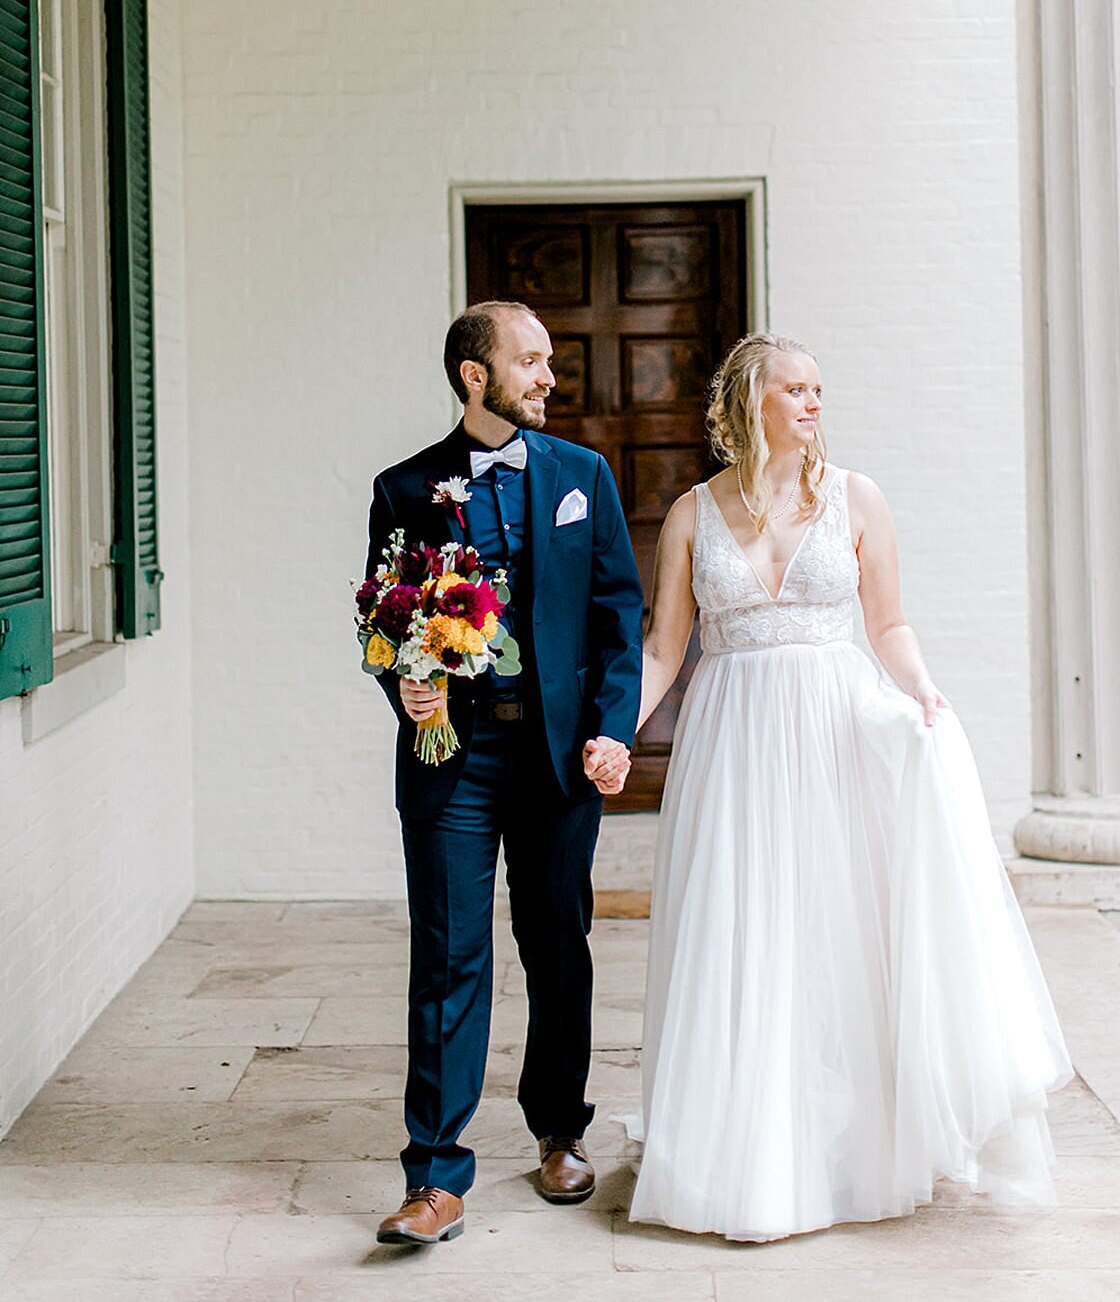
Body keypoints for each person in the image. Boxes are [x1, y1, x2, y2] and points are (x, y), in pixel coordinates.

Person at [627, 332, 1072, 1242]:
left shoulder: (857, 498)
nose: (814, 402)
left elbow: (889, 621)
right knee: (741, 931)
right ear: (754, 401)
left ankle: (849, 1145)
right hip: (733, 742)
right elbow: (664, 649)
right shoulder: (689, 514)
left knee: (832, 929)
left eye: (820, 388)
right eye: (796, 388)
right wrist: (610, 730)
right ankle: (743, 1152)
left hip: (833, 730)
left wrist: (921, 686)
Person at [364, 300, 642, 1246]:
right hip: (456, 759)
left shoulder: (582, 477)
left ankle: (560, 1126)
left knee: (557, 941)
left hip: (559, 758)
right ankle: (434, 1174)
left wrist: (613, 730)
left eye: (551, 360)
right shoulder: (404, 488)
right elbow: (382, 621)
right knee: (448, 952)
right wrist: (407, 682)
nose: (549, 376)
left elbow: (617, 620)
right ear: (473, 375)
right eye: (530, 361)